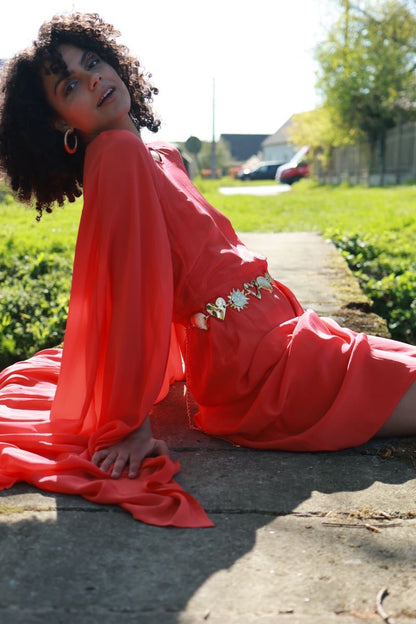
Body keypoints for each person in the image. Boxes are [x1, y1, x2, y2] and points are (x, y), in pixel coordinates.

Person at [0, 13, 415, 527]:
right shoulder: (117, 154)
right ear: (59, 123)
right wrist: (128, 423)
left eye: (93, 61)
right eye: (70, 86)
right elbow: (133, 291)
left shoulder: (156, 152)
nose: (93, 79)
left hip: (286, 336)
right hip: (256, 368)